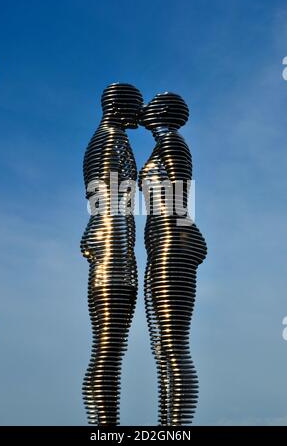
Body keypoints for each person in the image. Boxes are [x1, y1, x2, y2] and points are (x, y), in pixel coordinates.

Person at [138, 92, 207, 425]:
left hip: (171, 246)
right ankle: (169, 424)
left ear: (162, 112)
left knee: (174, 344)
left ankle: (176, 428)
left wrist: (179, 240)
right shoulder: (164, 144)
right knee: (165, 345)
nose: (142, 113)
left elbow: (180, 198)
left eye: (150, 107)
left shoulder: (173, 143)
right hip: (164, 244)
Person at [81, 83, 143, 425]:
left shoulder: (113, 140)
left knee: (108, 352)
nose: (139, 114)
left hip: (117, 259)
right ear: (119, 107)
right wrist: (111, 253)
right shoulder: (110, 142)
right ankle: (104, 429)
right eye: (135, 107)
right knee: (106, 352)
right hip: (112, 262)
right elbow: (107, 206)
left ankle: (106, 426)